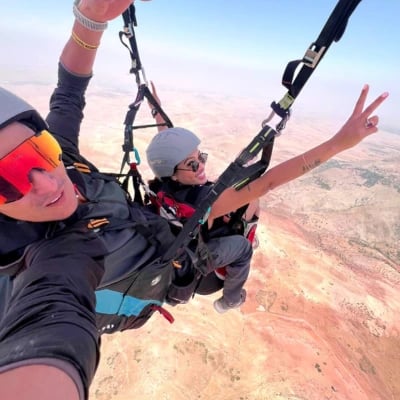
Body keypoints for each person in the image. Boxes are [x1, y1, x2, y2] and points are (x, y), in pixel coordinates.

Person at [0, 1, 160, 399]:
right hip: (165, 279)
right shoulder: (37, 261)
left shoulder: (64, 160)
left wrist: (89, 20)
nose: (46, 183)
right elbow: (48, 316)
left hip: (154, 234)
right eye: (7, 179)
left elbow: (68, 93)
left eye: (36, 153)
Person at [145, 81, 388, 314]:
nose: (200, 166)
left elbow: (169, 154)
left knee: (236, 180)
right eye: (192, 163)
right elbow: (267, 182)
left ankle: (237, 235)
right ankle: (230, 300)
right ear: (173, 172)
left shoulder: (164, 184)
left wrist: (157, 111)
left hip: (183, 245)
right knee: (245, 233)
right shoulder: (205, 201)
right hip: (203, 276)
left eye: (200, 156)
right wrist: (337, 144)